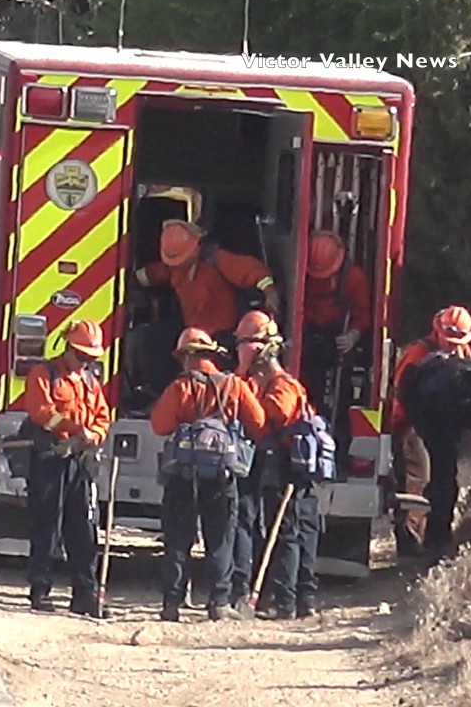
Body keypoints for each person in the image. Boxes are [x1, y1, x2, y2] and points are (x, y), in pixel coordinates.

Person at [150, 328, 267, 622]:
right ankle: (219, 603)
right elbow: (259, 421)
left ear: (188, 356)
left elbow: (160, 426)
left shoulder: (180, 387)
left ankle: (172, 604)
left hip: (183, 475)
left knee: (178, 539)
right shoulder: (234, 385)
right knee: (221, 539)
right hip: (222, 475)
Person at [23, 320, 113, 618]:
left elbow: (102, 417)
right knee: (46, 523)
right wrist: (75, 430)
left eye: (91, 359)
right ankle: (40, 589)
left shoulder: (90, 381)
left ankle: (84, 594)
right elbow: (41, 412)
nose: (86, 363)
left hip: (80, 461)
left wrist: (93, 435)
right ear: (69, 349)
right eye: (83, 357)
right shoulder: (44, 374)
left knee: (83, 528)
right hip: (50, 456)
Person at [390, 305, 471, 558]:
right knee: (418, 482)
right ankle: (409, 542)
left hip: (443, 426)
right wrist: (415, 424)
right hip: (411, 425)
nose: (451, 346)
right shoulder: (417, 353)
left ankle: (437, 541)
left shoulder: (463, 352)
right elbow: (401, 393)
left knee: (446, 483)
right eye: (448, 340)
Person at [242, 338, 322, 620]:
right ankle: (300, 599)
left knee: (287, 534)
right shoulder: (287, 384)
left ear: (262, 369)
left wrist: (251, 404)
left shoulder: (282, 387)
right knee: (297, 533)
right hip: (295, 467)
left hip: (288, 468)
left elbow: (276, 413)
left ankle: (286, 601)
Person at [135, 219, 281, 350]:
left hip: (222, 337)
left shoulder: (217, 259)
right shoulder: (173, 268)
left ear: (195, 248)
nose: (176, 265)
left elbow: (251, 270)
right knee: (152, 340)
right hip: (190, 331)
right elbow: (151, 274)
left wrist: (270, 292)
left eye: (180, 259)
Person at [227, 310, 284, 616]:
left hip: (263, 457)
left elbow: (257, 415)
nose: (240, 349)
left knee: (249, 522)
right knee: (246, 521)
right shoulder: (253, 379)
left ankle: (256, 590)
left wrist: (242, 370)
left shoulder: (276, 383)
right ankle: (250, 587)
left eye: (245, 343)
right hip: (254, 455)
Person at [300, 231, 372, 419]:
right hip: (305, 333)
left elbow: (362, 312)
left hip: (336, 336)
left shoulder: (353, 278)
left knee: (339, 397)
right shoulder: (299, 270)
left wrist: (353, 336)